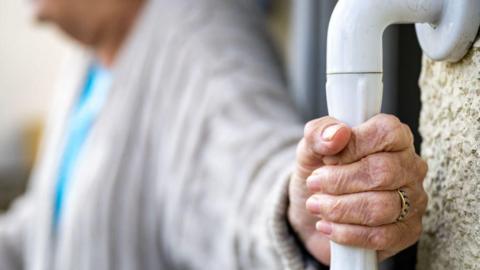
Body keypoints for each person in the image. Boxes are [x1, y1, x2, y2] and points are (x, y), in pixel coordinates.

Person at [0, 0, 428, 269]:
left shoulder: (200, 33)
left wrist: (307, 210)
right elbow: (47, 221)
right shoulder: (89, 59)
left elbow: (242, 171)